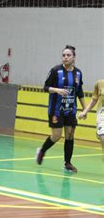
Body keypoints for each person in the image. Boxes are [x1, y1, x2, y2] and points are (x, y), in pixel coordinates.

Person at [35, 45, 86, 173]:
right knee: (57, 135)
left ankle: (67, 163)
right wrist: (56, 90)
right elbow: (45, 87)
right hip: (56, 110)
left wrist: (85, 109)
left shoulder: (78, 73)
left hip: (70, 110)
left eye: (68, 55)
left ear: (74, 57)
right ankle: (42, 151)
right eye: (63, 55)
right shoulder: (55, 71)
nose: (65, 57)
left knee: (69, 135)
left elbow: (79, 92)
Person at [78, 79, 104, 151]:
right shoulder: (99, 83)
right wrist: (85, 112)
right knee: (103, 136)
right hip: (102, 115)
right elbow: (94, 100)